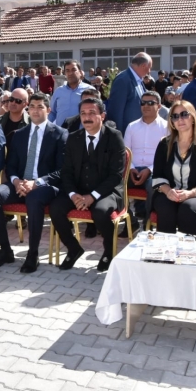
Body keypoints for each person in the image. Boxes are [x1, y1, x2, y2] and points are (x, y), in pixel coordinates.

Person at [0, 93, 68, 272]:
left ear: (48, 110)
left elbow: (62, 170)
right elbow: (11, 166)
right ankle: (5, 250)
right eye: (32, 106)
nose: (35, 110)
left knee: (34, 198)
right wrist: (16, 182)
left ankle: (32, 254)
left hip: (46, 186)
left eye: (40, 106)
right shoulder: (19, 134)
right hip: (20, 183)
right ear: (28, 109)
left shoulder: (60, 134)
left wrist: (36, 183)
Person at [49, 97, 126, 272]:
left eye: (92, 113)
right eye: (83, 113)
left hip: (107, 191)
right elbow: (66, 171)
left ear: (102, 116)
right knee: (55, 208)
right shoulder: (74, 138)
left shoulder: (114, 137)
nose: (87, 117)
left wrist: (93, 196)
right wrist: (72, 194)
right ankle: (73, 248)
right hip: (78, 189)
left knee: (100, 212)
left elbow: (116, 175)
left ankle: (108, 251)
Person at [150, 101, 196, 235]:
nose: (180, 119)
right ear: (172, 121)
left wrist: (190, 193)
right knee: (165, 206)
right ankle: (164, 252)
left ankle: (186, 252)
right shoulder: (164, 144)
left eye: (184, 114)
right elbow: (157, 175)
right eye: (175, 116)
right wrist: (169, 191)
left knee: (187, 207)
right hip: (168, 193)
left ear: (193, 117)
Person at [123, 91, 169, 225]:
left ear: (159, 106)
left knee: (153, 186)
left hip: (155, 170)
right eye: (143, 103)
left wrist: (149, 170)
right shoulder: (132, 126)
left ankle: (148, 224)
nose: (146, 106)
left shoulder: (167, 128)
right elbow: (125, 152)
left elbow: (167, 156)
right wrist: (131, 169)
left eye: (151, 103)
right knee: (116, 185)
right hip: (133, 169)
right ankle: (131, 223)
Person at [106, 52, 153, 136]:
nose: (149, 71)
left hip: (138, 134)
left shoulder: (139, 81)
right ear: (143, 66)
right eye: (149, 68)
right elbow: (115, 112)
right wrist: (118, 137)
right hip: (126, 135)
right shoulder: (122, 80)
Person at [49, 61, 92, 125]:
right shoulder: (58, 91)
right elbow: (52, 112)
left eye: (73, 70)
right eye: (67, 71)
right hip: (61, 132)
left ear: (80, 72)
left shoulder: (90, 90)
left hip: (81, 132)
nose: (70, 73)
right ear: (65, 73)